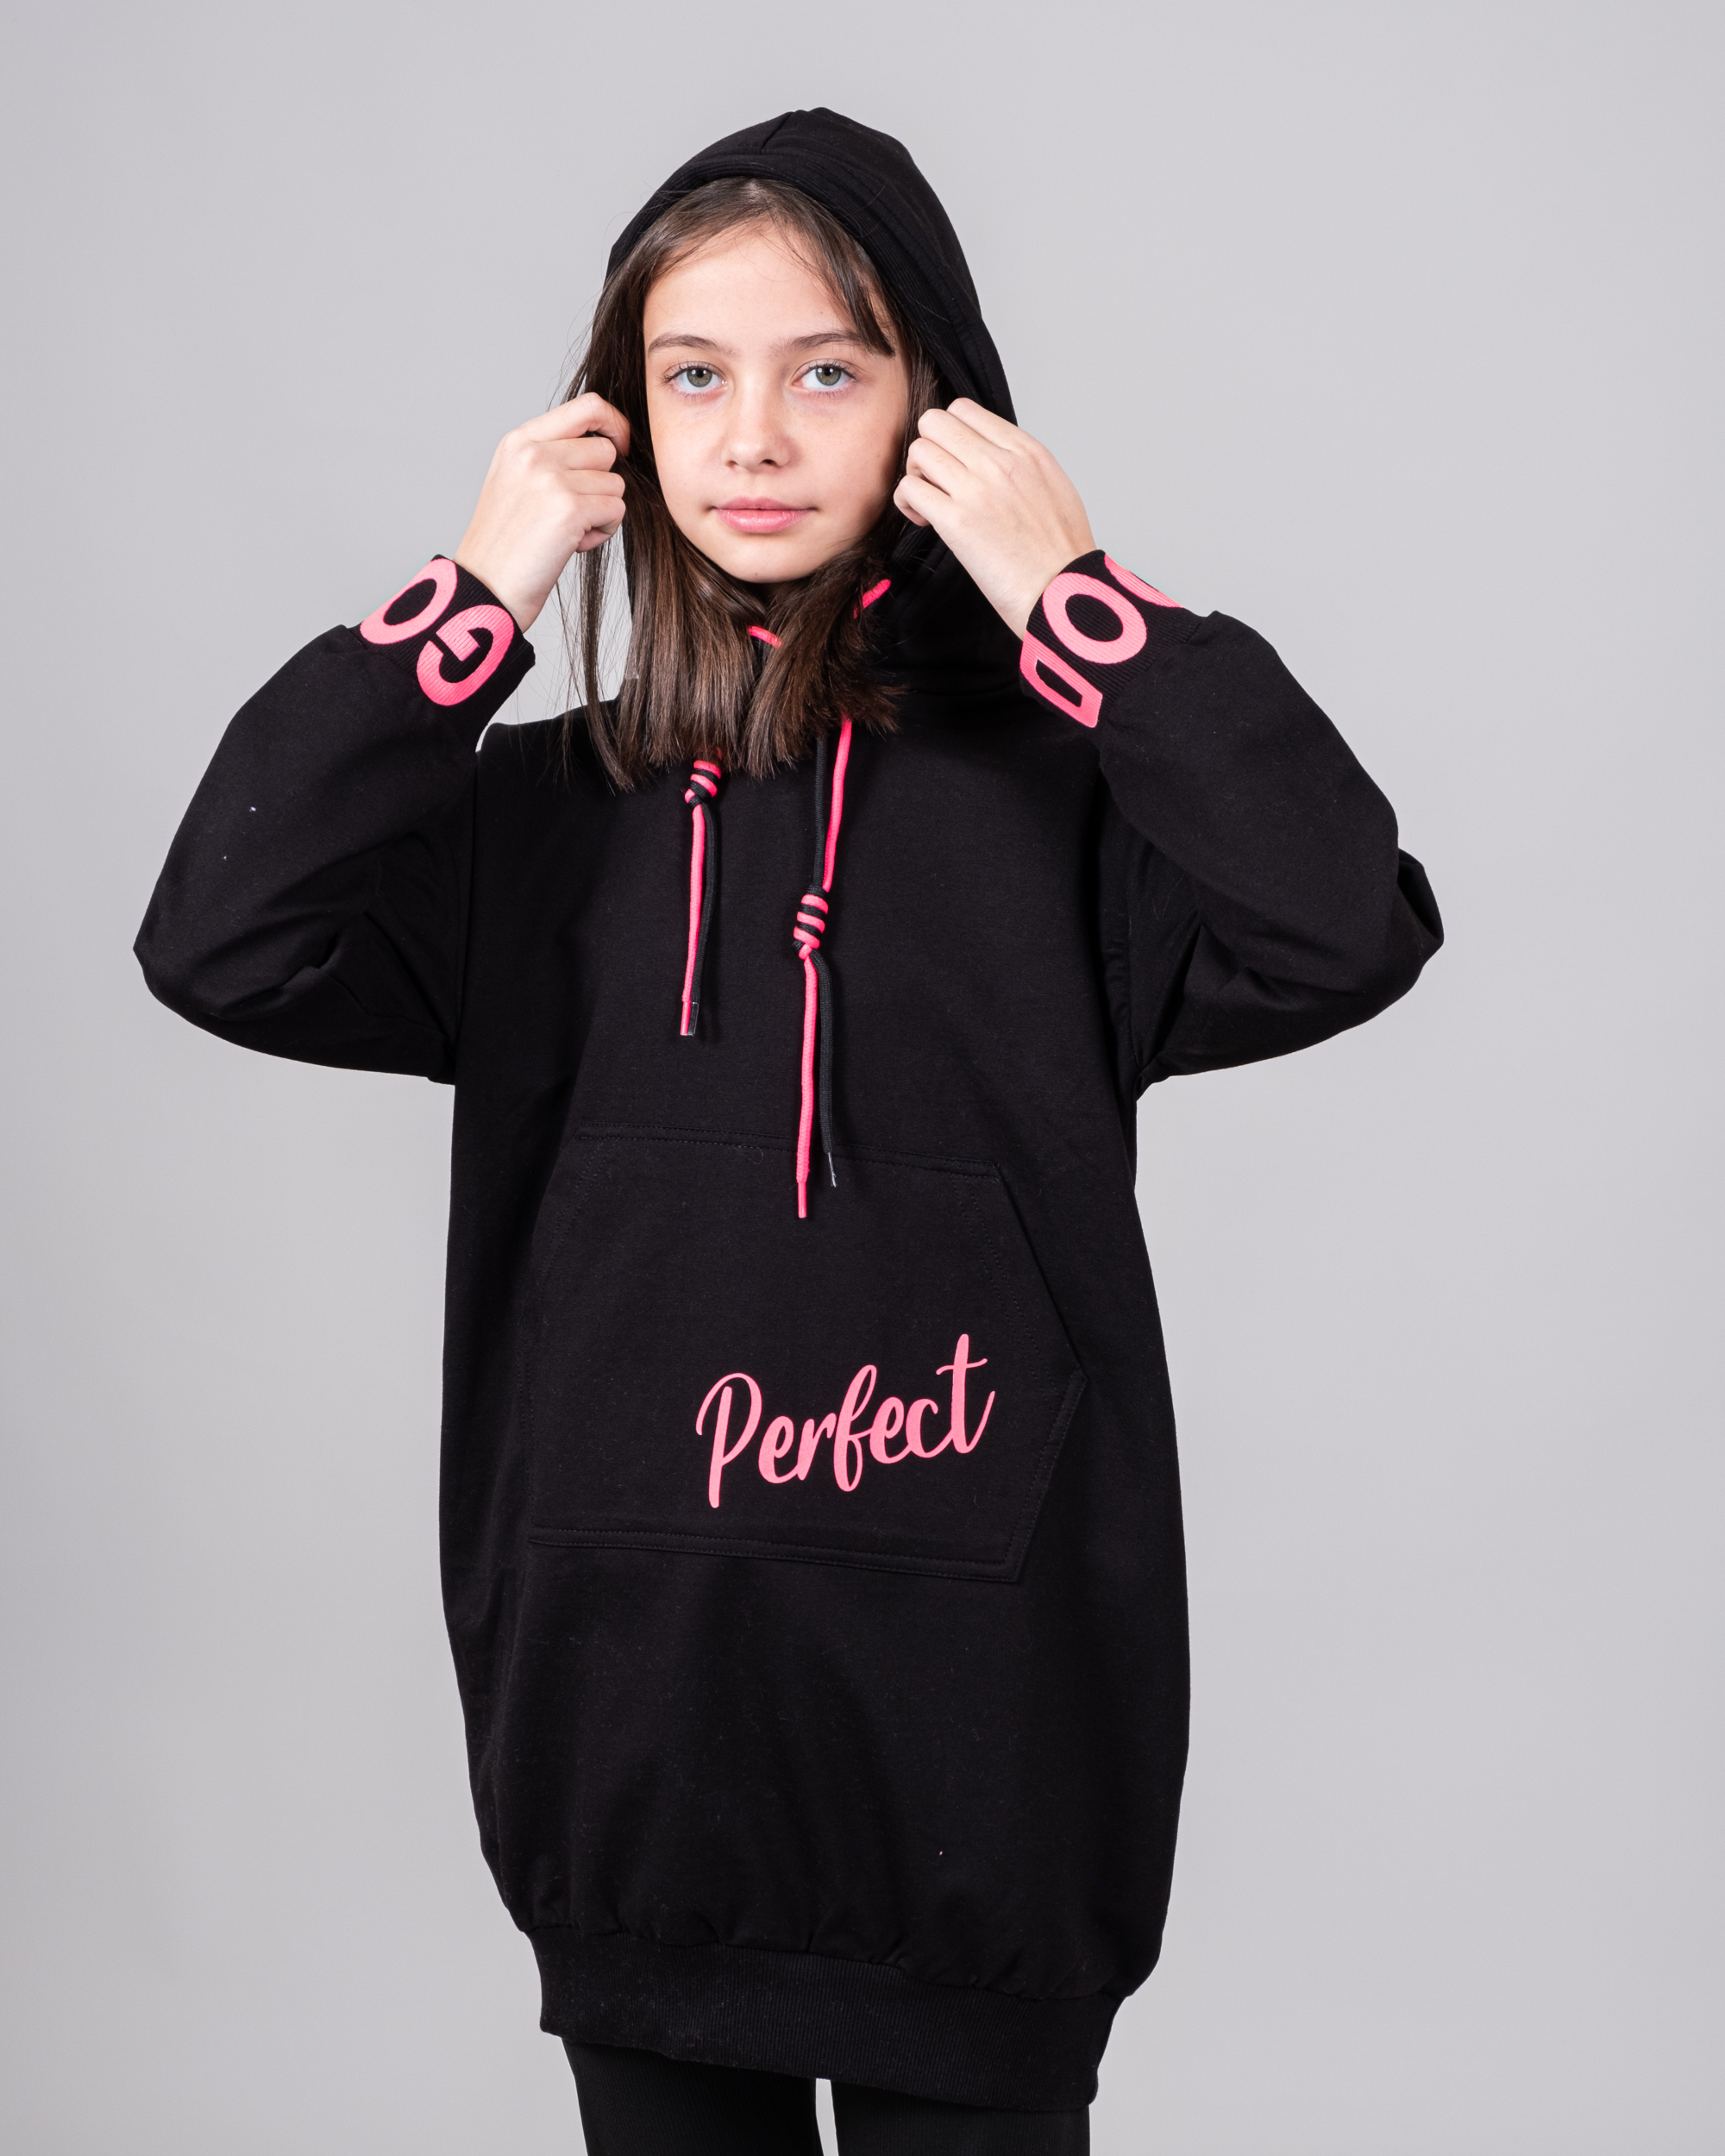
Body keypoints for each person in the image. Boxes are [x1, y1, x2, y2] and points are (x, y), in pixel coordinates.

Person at [136, 108, 1442, 2156]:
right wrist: (469, 596)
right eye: (691, 376)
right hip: (638, 1767)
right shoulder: (534, 824)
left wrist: (1079, 602)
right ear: (616, 421)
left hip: (987, 1791)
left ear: (940, 409)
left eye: (827, 369)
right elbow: (222, 934)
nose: (751, 435)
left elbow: (1343, 916)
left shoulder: (1077, 814)